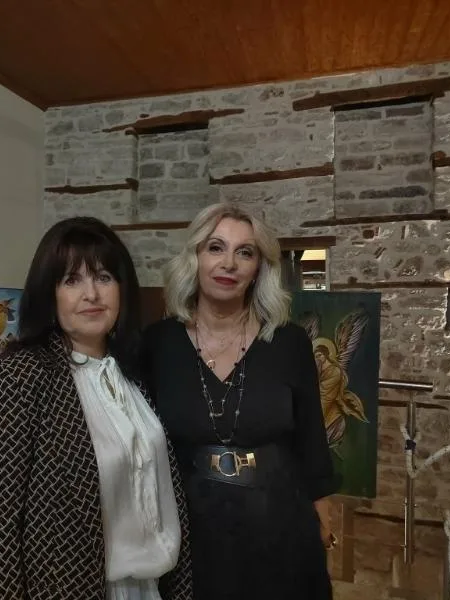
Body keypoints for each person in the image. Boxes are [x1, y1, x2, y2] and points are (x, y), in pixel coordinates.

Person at [0, 216, 192, 600]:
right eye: (71, 280)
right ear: (48, 294)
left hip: (152, 586)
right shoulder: (18, 377)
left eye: (104, 277)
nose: (92, 294)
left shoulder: (133, 369)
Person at [141, 203, 338, 599]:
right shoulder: (156, 344)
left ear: (259, 268)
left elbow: (312, 441)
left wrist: (322, 518)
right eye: (215, 247)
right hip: (187, 529)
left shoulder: (289, 342)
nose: (228, 263)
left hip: (280, 523)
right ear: (195, 257)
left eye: (244, 252)